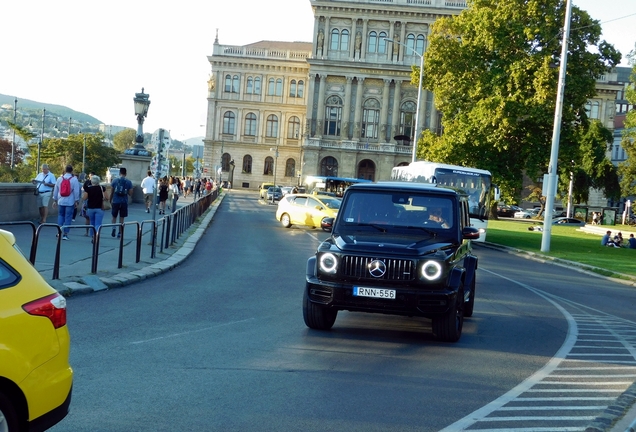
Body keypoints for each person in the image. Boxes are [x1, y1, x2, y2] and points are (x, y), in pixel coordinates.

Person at [52, 165, 81, 240]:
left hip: (61, 200)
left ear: (65, 170)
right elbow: (76, 191)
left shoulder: (59, 179)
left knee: (60, 215)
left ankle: (59, 232)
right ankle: (65, 234)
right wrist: (76, 200)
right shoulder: (74, 179)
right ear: (72, 171)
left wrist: (55, 199)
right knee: (68, 217)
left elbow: (56, 190)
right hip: (70, 201)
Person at [109, 167, 133, 238]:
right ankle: (120, 232)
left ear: (120, 173)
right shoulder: (128, 182)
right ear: (126, 173)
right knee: (122, 218)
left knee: (114, 216)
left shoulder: (115, 180)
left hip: (116, 201)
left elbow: (112, 191)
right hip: (124, 202)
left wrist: (110, 200)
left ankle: (113, 228)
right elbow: (131, 193)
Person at [82, 175, 107, 241]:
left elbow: (84, 198)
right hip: (100, 208)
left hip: (91, 207)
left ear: (91, 181)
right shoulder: (102, 188)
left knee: (92, 222)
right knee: (98, 223)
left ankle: (92, 235)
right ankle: (96, 235)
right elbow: (107, 197)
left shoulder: (88, 189)